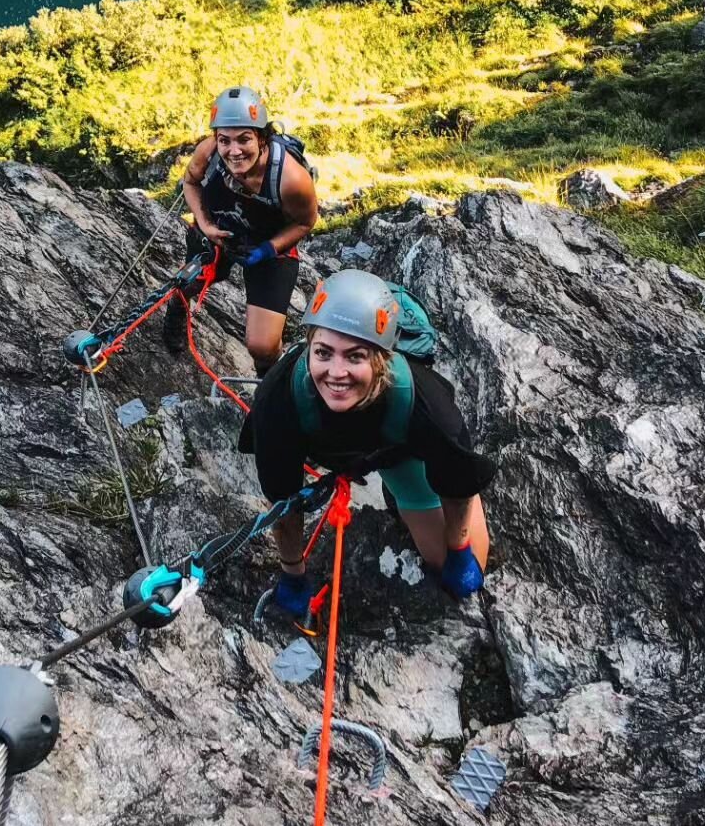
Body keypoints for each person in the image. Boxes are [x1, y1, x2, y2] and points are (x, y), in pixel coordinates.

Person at [244, 269, 495, 616]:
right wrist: (292, 574)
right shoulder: (278, 401)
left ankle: (400, 493)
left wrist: (459, 549)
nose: (336, 372)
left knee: (460, 566)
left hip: (399, 450)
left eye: (356, 356)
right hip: (333, 444)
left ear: (382, 358)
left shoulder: (424, 405)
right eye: (323, 353)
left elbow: (458, 484)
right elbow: (283, 503)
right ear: (309, 347)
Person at [163, 86, 319, 375]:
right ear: (216, 139)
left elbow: (305, 221)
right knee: (187, 283)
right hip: (219, 231)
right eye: (225, 140)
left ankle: (269, 383)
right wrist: (206, 225)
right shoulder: (209, 152)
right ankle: (176, 313)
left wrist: (268, 250)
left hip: (269, 245)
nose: (234, 151)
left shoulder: (290, 178)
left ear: (262, 138)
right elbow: (190, 182)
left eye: (244, 139)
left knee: (262, 345)